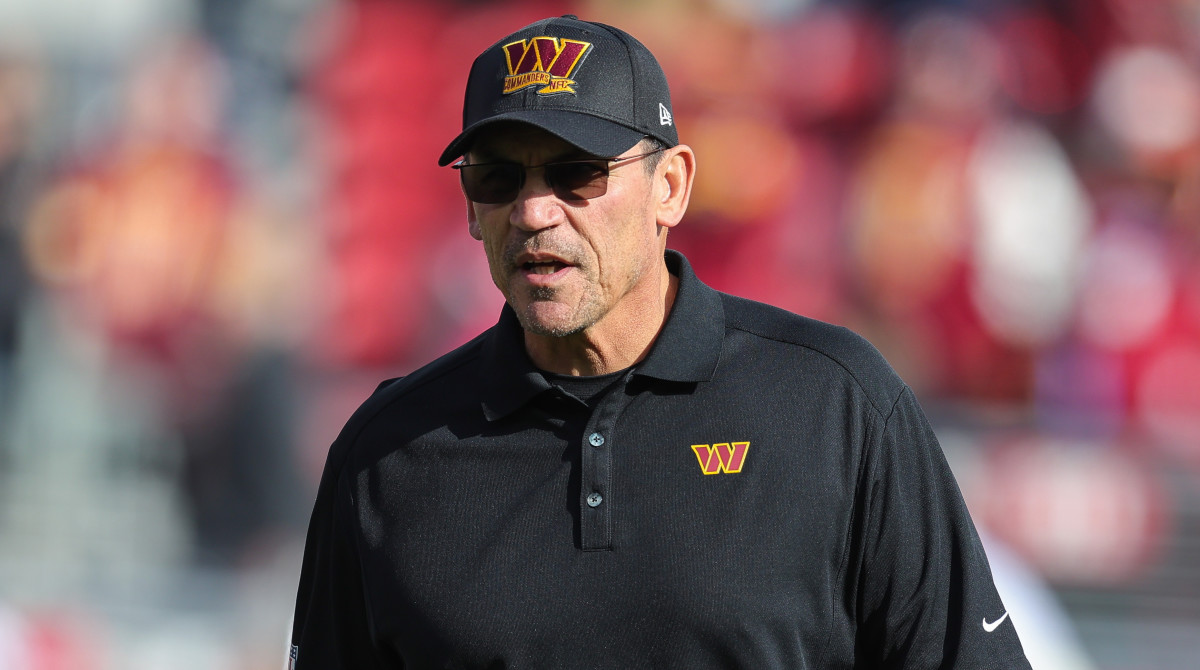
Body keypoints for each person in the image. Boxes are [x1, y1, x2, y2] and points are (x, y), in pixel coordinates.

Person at [289, 15, 1032, 669]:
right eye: (498, 176)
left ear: (670, 188)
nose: (535, 210)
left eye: (577, 172)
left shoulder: (835, 406)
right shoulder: (385, 457)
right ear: (472, 210)